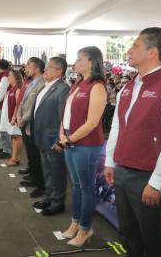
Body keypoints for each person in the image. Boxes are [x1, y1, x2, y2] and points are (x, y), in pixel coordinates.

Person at [104, 27, 161, 257]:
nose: (129, 50)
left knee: (151, 235)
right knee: (128, 232)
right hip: (123, 170)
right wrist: (110, 161)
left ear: (152, 51)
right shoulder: (128, 86)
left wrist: (156, 183)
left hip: (148, 175)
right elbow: (117, 126)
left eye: (135, 45)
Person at [58, 46, 107, 247]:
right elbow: (67, 113)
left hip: (86, 145)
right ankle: (75, 223)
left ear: (91, 62)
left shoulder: (97, 86)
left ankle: (86, 229)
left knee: (87, 189)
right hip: (70, 141)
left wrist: (70, 139)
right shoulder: (78, 83)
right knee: (76, 186)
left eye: (79, 59)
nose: (75, 63)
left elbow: (92, 122)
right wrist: (62, 132)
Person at [31, 57, 70, 216]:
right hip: (42, 136)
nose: (45, 70)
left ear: (59, 71)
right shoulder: (46, 86)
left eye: (49, 67)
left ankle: (58, 201)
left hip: (53, 138)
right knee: (47, 171)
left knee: (57, 172)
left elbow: (63, 117)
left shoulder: (63, 89)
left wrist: (60, 140)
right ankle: (49, 196)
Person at [16, 57, 46, 198]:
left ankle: (41, 185)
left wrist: (23, 118)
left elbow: (34, 104)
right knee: (31, 154)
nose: (25, 68)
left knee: (36, 156)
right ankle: (34, 177)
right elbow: (23, 101)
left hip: (32, 124)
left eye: (28, 65)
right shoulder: (31, 82)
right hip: (25, 123)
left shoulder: (42, 83)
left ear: (36, 69)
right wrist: (18, 115)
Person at [0, 70, 23, 166]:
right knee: (13, 136)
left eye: (10, 76)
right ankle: (14, 157)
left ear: (15, 77)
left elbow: (18, 104)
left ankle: (15, 158)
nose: (8, 77)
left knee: (16, 136)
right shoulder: (11, 88)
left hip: (14, 118)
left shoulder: (18, 89)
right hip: (9, 117)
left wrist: (14, 117)